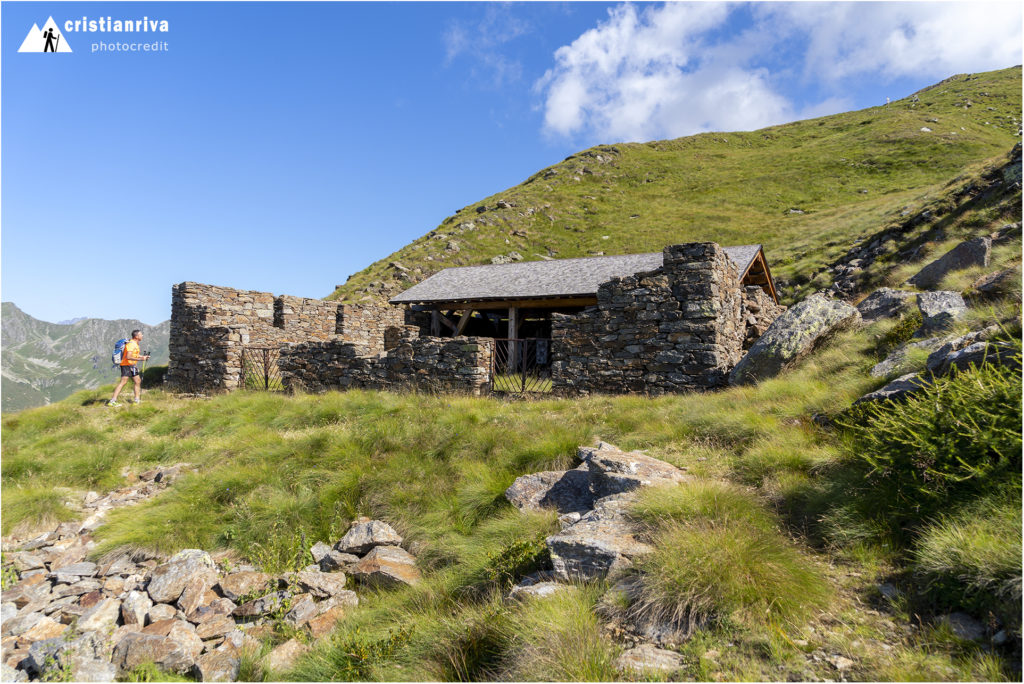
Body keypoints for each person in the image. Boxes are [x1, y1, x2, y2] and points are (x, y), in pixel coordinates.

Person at [108, 330, 150, 406]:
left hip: (132, 365)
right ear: (136, 336)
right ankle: (112, 401)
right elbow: (128, 356)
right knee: (123, 382)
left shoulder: (135, 344)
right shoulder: (131, 344)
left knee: (137, 381)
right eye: (141, 334)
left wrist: (143, 357)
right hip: (126, 365)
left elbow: (134, 355)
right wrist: (141, 359)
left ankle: (136, 400)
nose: (142, 335)